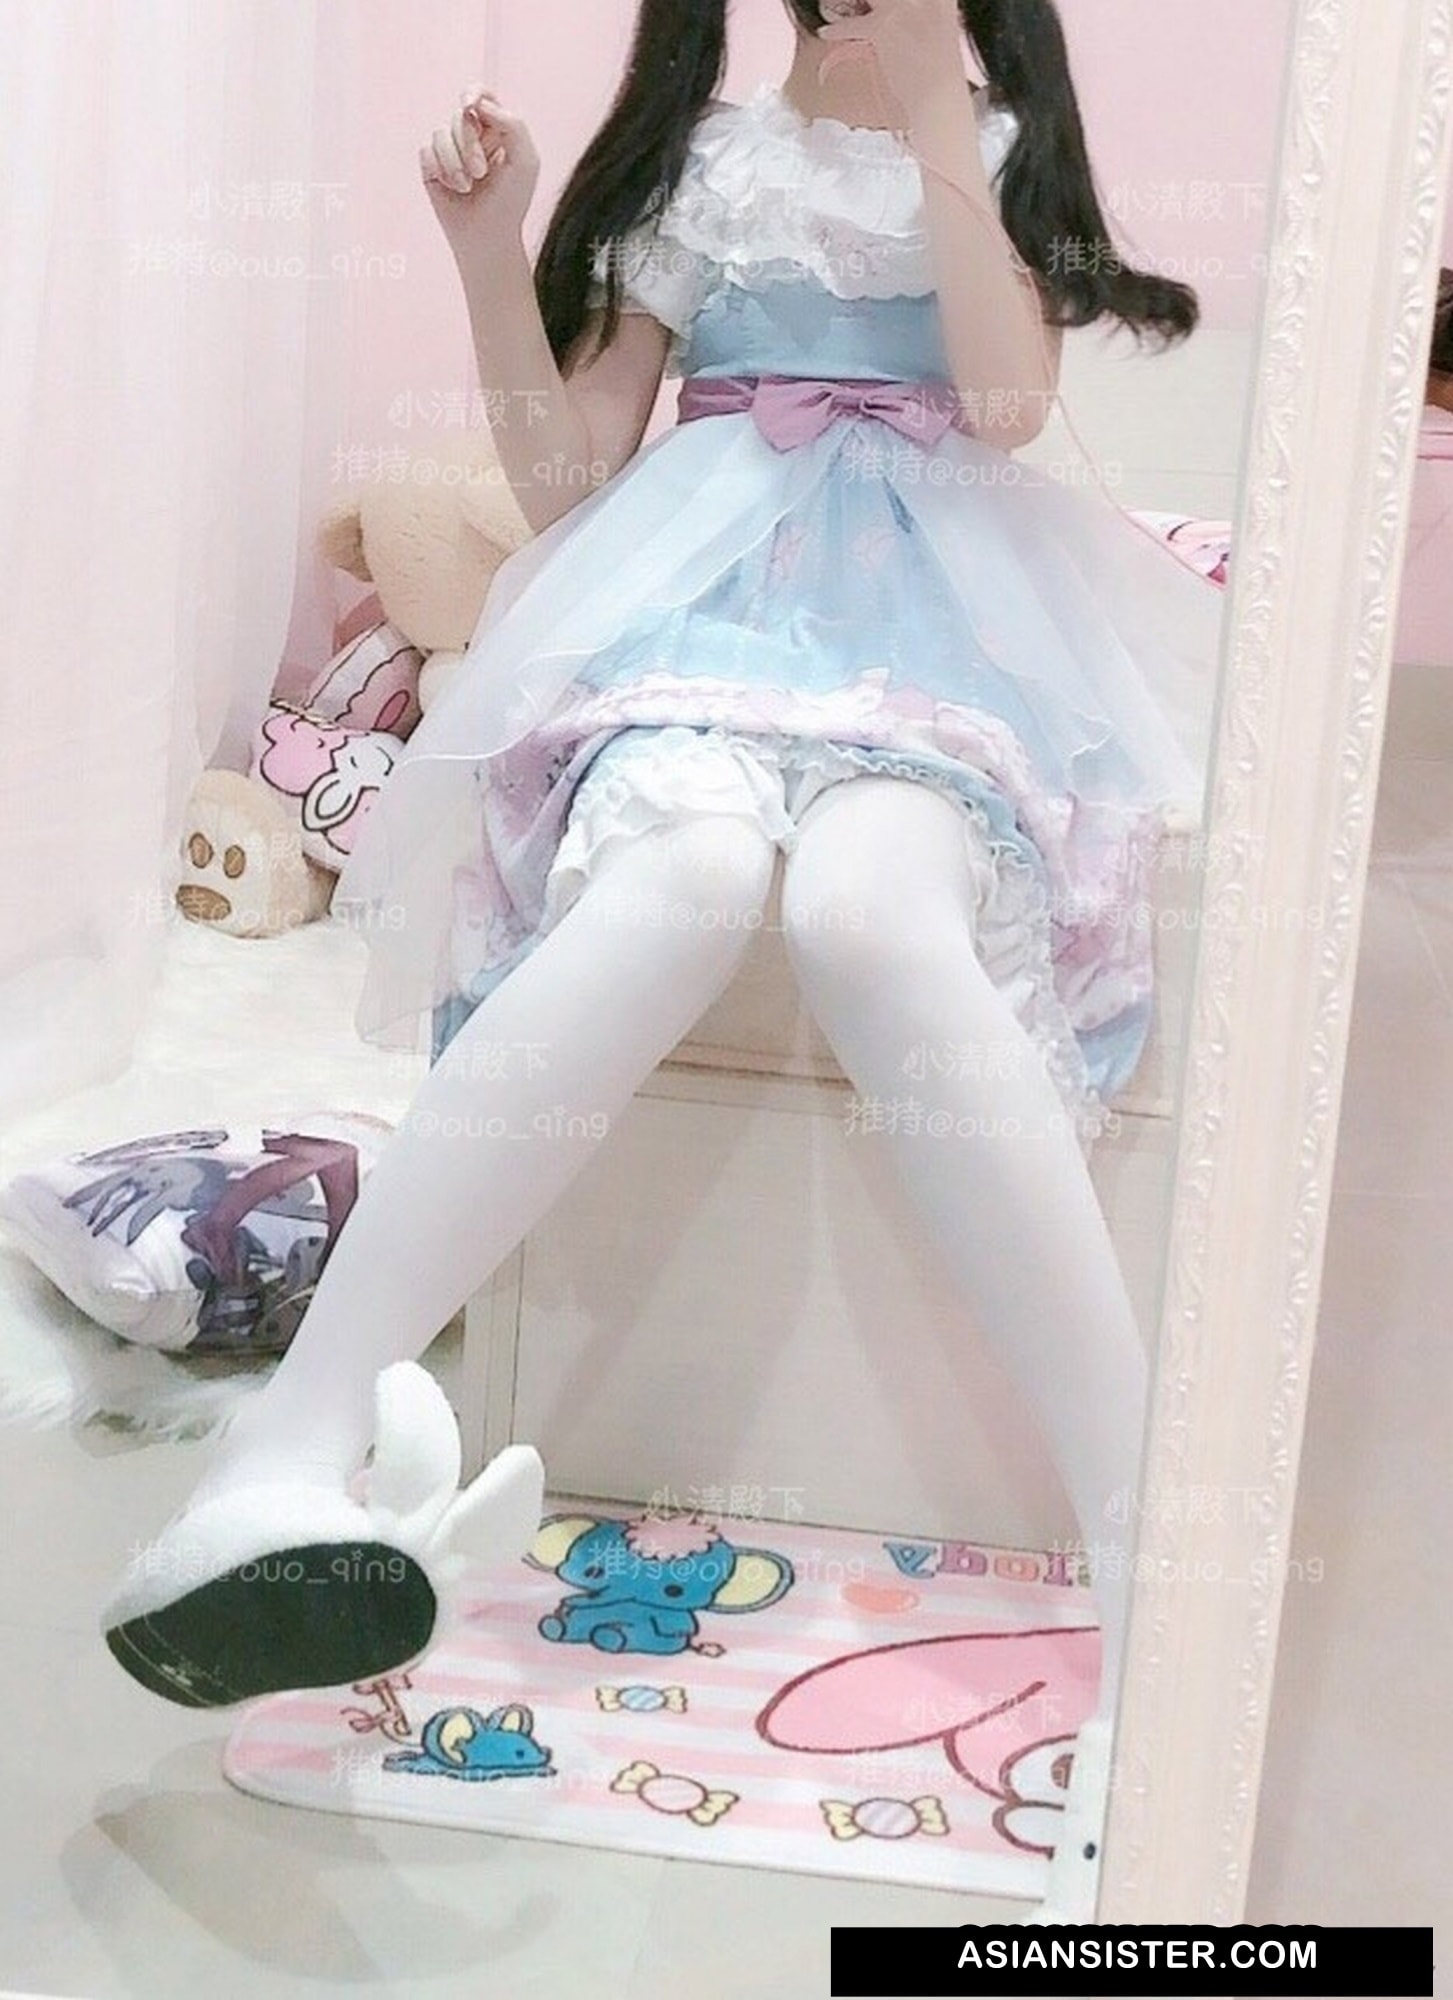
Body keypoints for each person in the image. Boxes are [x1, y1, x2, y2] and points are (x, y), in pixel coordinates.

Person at [104, 0, 1225, 1917]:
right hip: (691, 625)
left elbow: (1007, 407)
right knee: (680, 881)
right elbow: (566, 482)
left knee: (870, 910)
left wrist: (942, 121)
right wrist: (489, 257)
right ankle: (286, 1451)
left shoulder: (984, 145)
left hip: (940, 633)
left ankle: (1158, 1566)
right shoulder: (705, 168)